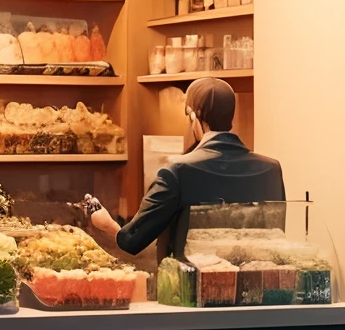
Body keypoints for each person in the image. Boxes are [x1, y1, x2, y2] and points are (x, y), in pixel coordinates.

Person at [88, 78, 286, 260]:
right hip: (259, 289)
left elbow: (132, 240)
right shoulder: (271, 170)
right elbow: (274, 237)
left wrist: (106, 224)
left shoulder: (177, 171)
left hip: (192, 290)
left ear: (194, 115)